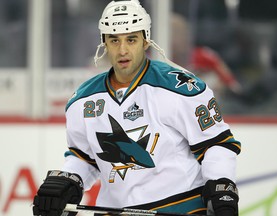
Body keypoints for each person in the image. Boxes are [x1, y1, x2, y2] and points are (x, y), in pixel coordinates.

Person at [32, 0, 241, 215]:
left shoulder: (181, 88)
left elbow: (216, 144)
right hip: (114, 211)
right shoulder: (83, 100)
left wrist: (221, 186)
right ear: (104, 43)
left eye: (131, 39)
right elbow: (85, 157)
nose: (123, 50)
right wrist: (69, 181)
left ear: (145, 41)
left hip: (180, 208)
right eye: (114, 40)